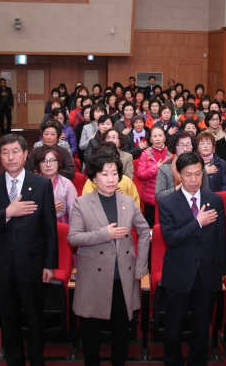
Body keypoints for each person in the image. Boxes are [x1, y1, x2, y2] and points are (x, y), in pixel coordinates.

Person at [0, 134, 57, 366]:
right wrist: (7, 213)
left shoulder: (41, 184)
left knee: (34, 318)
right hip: (1, 266)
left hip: (32, 263)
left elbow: (50, 227)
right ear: (0, 156)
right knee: (8, 321)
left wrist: (50, 263)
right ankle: (14, 360)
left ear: (25, 154)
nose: (11, 157)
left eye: (15, 152)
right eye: (6, 152)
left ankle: (37, 360)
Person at [67, 151, 150, 366]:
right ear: (94, 177)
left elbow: (144, 231)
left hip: (122, 276)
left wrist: (141, 265)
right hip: (93, 278)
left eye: (114, 173)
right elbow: (73, 238)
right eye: (104, 174)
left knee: (120, 333)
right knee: (91, 332)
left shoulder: (127, 201)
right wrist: (105, 234)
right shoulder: (82, 203)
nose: (111, 179)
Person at [158, 152, 226, 366]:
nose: (194, 179)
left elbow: (220, 238)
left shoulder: (214, 199)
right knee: (173, 328)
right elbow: (171, 238)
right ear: (178, 174)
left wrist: (222, 270)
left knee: (200, 328)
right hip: (179, 273)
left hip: (207, 273)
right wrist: (197, 223)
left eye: (198, 173)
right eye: (188, 174)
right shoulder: (167, 201)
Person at [155, 131, 208, 200]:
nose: (185, 149)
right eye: (181, 145)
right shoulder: (165, 168)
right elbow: (159, 196)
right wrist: (180, 187)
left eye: (188, 145)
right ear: (174, 146)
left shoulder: (199, 166)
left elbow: (206, 191)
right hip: (173, 206)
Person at [137, 126, 171, 226]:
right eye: (155, 136)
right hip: (150, 198)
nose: (158, 138)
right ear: (150, 139)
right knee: (151, 226)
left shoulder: (171, 154)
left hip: (167, 196)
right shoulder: (145, 154)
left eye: (160, 135)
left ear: (165, 137)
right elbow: (140, 175)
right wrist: (156, 168)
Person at [34, 146, 77, 225]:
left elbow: (73, 211)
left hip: (61, 223)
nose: (48, 165)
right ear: (39, 164)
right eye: (44, 161)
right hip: (38, 225)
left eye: (52, 160)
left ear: (59, 163)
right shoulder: (33, 184)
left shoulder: (66, 184)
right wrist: (48, 210)